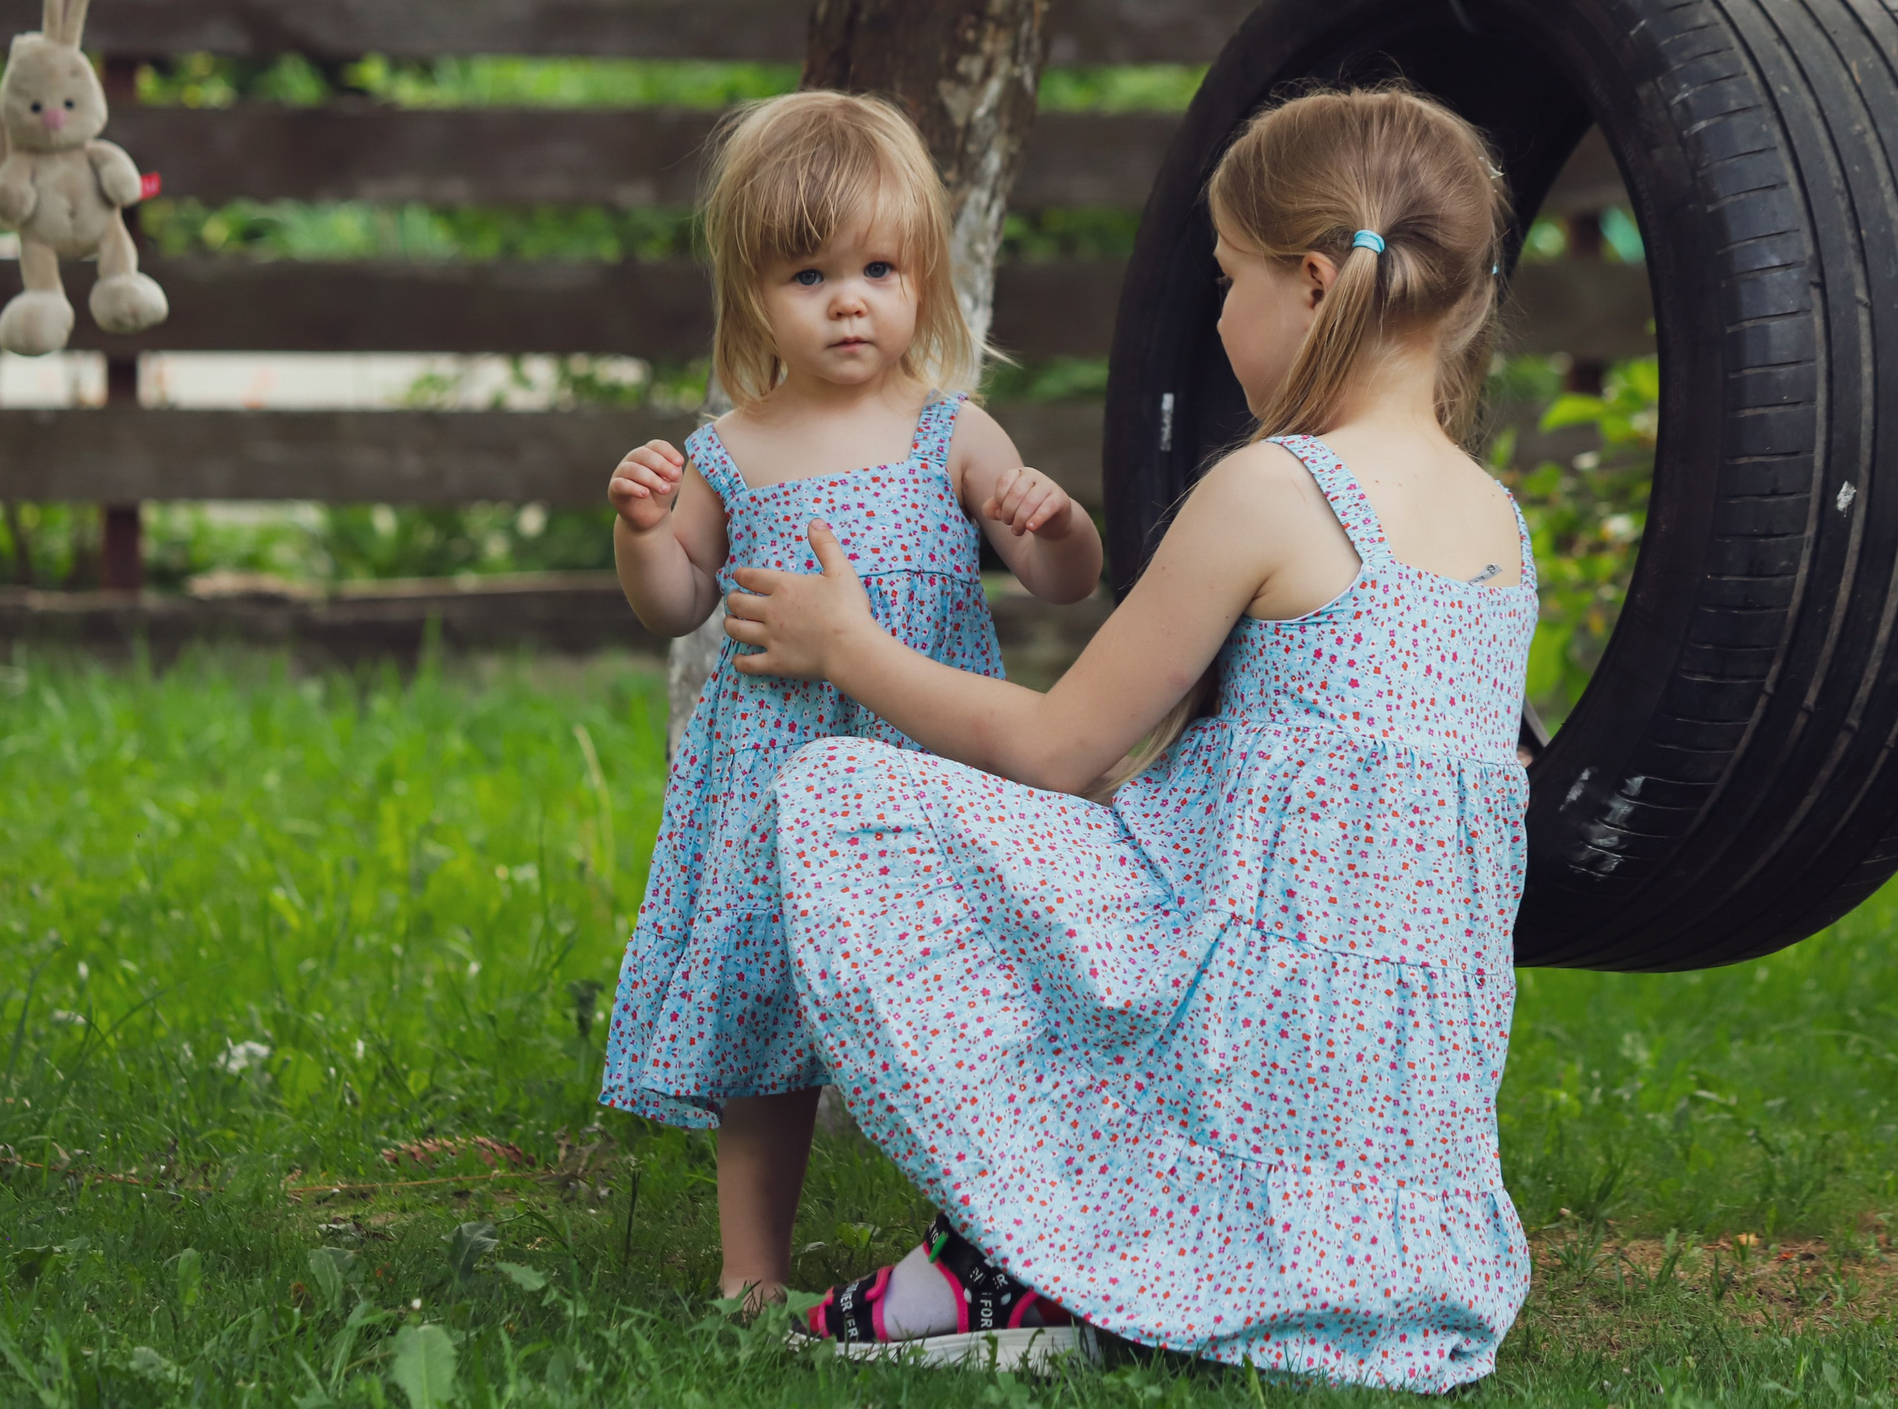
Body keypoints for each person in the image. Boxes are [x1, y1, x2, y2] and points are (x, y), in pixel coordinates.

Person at [726, 85, 1539, 1388]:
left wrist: (850, 650)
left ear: (1316, 283)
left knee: (845, 798)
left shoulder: (1273, 489)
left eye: (1228, 279)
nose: (1219, 315)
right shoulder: (1502, 522)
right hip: (1396, 1105)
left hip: (1243, 1020)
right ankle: (1161, 1262)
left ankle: (1037, 1243)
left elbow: (1065, 748)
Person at [597, 91, 1105, 1311]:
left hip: (930, 759)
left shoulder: (950, 431)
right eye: (808, 273)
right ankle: (749, 1271)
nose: (848, 299)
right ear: (750, 296)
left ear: (923, 277)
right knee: (764, 1020)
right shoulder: (730, 449)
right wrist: (640, 528)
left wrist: (1053, 520)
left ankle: (991, 1235)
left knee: (967, 998)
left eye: (879, 267)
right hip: (776, 777)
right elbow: (673, 603)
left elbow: (1062, 580)